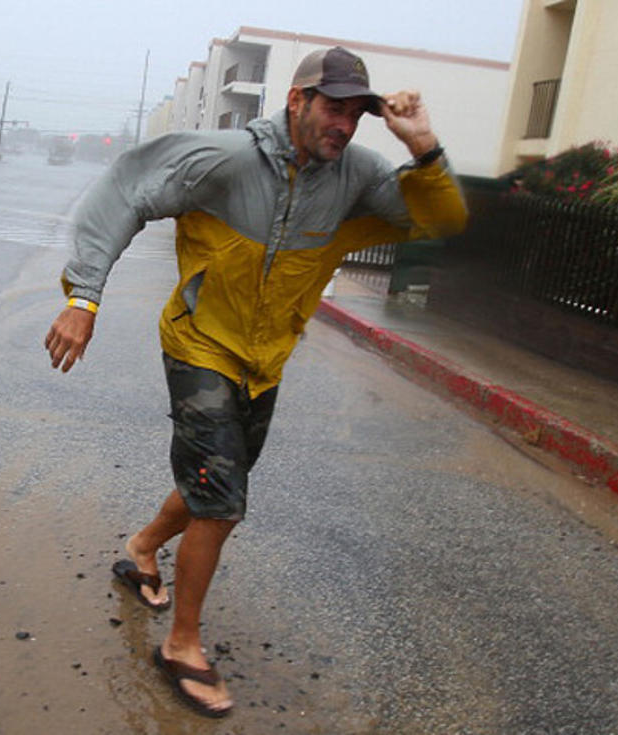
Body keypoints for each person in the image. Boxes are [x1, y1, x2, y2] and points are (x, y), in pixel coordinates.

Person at [44, 46, 467, 717]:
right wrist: (84, 298)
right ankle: (182, 644)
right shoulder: (227, 158)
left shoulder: (355, 174)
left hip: (265, 357)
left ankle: (144, 546)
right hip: (199, 341)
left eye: (357, 112)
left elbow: (440, 220)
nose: (346, 124)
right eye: (334, 107)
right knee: (222, 499)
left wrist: (422, 145)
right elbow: (123, 187)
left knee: (220, 479)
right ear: (297, 100)